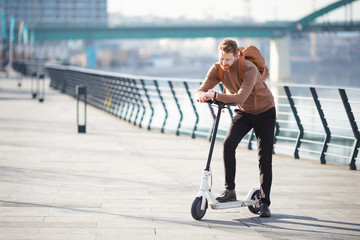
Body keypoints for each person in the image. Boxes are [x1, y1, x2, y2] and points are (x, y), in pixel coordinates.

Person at [196, 38, 275, 217]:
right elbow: (201, 89)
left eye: (228, 60)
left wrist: (216, 94)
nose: (224, 63)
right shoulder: (217, 68)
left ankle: (265, 202)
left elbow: (240, 97)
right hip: (244, 113)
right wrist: (202, 95)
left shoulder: (249, 68)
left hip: (265, 112)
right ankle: (230, 190)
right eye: (221, 59)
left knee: (264, 159)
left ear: (236, 56)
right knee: (228, 145)